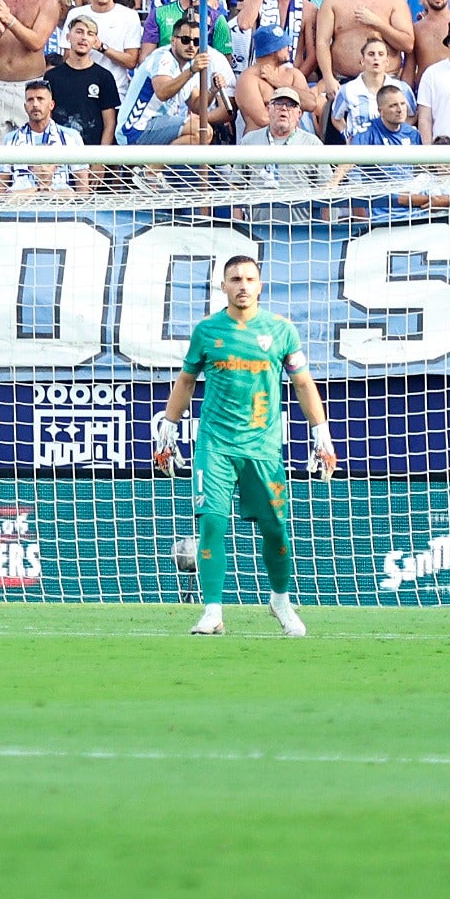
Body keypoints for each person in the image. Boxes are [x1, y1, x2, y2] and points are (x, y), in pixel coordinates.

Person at [151, 252, 337, 637]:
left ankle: (280, 601)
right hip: (215, 445)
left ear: (260, 286)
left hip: (263, 448)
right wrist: (168, 427)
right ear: (223, 286)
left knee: (275, 530)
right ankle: (212, 611)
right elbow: (186, 381)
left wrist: (321, 432)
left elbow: (303, 383)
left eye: (249, 279)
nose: (243, 286)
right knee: (211, 523)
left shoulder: (281, 331)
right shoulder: (207, 331)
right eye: (235, 279)